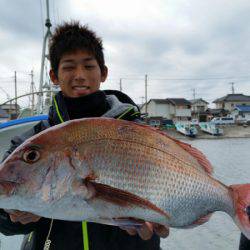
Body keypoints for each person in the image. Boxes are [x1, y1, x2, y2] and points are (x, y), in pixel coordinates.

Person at [0, 21, 169, 250]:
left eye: (89, 66)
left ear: (104, 73)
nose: (80, 75)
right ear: (54, 75)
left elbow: (168, 184)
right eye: (69, 67)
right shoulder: (30, 143)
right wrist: (12, 217)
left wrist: (163, 213)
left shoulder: (136, 131)